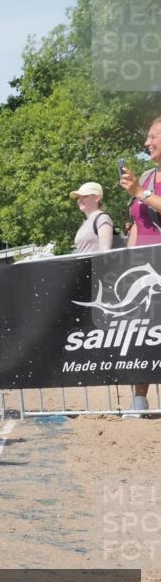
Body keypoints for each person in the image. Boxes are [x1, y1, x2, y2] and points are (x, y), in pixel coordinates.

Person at [119, 115, 161, 415]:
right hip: (144, 268)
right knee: (141, 334)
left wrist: (139, 194)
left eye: (153, 137)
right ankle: (138, 402)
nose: (147, 143)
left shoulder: (142, 186)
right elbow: (136, 223)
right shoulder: (146, 176)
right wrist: (127, 260)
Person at [69, 181, 114, 253]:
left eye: (85, 196)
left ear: (97, 197)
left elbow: (105, 253)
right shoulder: (86, 222)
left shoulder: (102, 218)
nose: (79, 200)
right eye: (78, 197)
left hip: (96, 264)